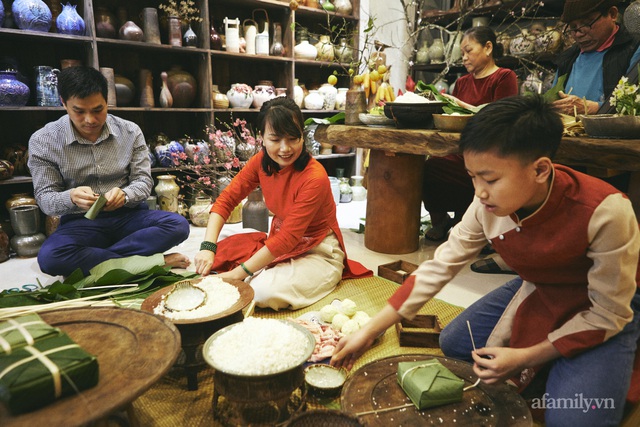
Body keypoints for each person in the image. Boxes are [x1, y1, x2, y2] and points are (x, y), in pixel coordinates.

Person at [331, 95, 640, 426]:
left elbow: (609, 313)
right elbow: (440, 266)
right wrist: (371, 329)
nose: (478, 192)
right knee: (454, 342)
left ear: (540, 169)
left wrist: (524, 357)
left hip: (601, 308)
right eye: (472, 176)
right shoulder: (486, 206)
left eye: (490, 179)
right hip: (537, 285)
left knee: (574, 420)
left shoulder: (606, 212)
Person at [193, 97, 370, 310]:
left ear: (303, 137)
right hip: (280, 241)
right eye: (275, 139)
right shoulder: (260, 162)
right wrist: (207, 247)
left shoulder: (314, 177)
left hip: (319, 251)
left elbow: (288, 238)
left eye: (293, 138)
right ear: (262, 138)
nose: (285, 148)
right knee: (219, 255)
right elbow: (227, 200)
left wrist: (237, 274)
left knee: (260, 292)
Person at [28, 66, 190, 277]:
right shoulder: (44, 140)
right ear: (63, 103)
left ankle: (102, 261)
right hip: (81, 223)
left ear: (107, 101)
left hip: (129, 217)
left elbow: (143, 181)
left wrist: (126, 195)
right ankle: (150, 263)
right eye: (79, 111)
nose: (90, 120)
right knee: (50, 258)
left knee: (178, 225)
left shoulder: (130, 131)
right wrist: (71, 197)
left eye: (98, 110)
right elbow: (45, 199)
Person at [422, 26, 518, 241]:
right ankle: (441, 220)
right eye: (462, 53)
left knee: (469, 172)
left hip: (489, 153)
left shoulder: (504, 77)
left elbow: (503, 120)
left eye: (468, 51)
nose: (464, 58)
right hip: (461, 150)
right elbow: (453, 118)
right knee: (427, 167)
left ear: (488, 47)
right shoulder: (463, 82)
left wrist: (466, 109)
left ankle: (466, 223)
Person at [552, 0, 640, 116]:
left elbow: (634, 106)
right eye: (573, 27)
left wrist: (595, 108)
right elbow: (553, 103)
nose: (578, 34)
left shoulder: (633, 50)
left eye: (587, 23)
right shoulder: (567, 59)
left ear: (612, 14)